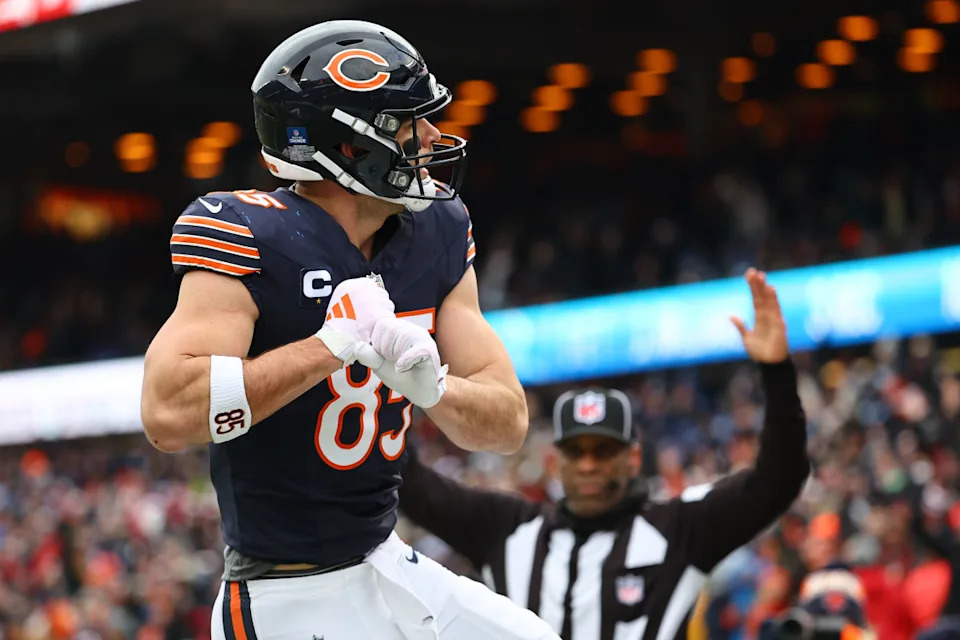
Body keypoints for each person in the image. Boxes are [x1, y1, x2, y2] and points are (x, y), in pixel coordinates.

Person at [140, 19, 558, 640]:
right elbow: (167, 414)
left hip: (383, 560)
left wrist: (433, 386)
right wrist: (328, 349)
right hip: (284, 589)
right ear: (348, 146)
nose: (432, 138)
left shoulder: (436, 230)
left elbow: (506, 424)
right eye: (409, 123)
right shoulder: (250, 234)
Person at [398, 269, 811, 640]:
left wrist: (776, 373)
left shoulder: (679, 529)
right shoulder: (506, 528)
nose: (589, 464)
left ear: (633, 457)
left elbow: (777, 480)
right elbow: (409, 481)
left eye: (604, 450)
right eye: (576, 452)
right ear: (556, 460)